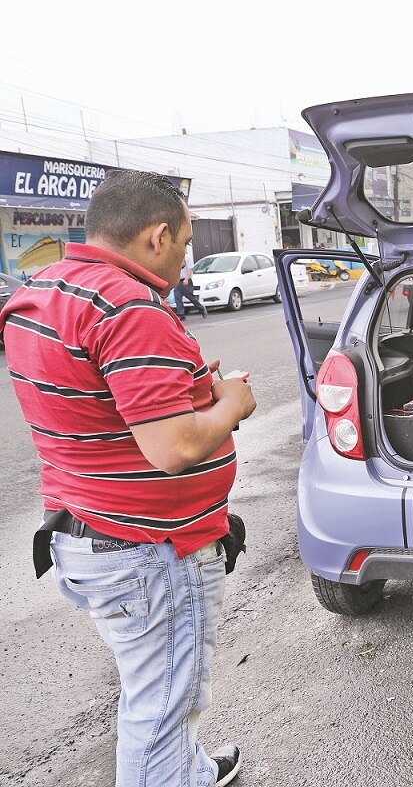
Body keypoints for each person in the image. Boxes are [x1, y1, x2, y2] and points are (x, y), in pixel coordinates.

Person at [0, 170, 257, 786]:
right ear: (159, 235)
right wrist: (230, 404)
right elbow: (172, 447)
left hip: (87, 528)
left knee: (158, 684)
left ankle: (189, 771)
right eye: (188, 240)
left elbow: (96, 400)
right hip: (148, 550)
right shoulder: (130, 307)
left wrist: (185, 386)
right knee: (163, 702)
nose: (187, 254)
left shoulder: (51, 287)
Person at [173, 244, 207, 319]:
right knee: (177, 297)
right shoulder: (176, 258)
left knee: (190, 297)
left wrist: (187, 279)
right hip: (178, 281)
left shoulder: (187, 258)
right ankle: (181, 314)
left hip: (186, 280)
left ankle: (202, 309)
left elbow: (190, 269)